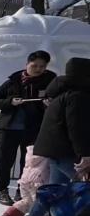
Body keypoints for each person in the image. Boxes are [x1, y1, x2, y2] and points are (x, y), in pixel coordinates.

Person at [0, 50, 56, 205]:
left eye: (42, 66)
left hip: (33, 128)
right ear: (27, 64)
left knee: (28, 162)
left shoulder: (50, 82)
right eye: (35, 65)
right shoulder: (13, 81)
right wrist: (10, 102)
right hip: (10, 127)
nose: (38, 69)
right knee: (5, 161)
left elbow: (59, 102)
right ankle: (1, 190)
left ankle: (22, 190)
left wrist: (48, 105)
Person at [32, 57, 90, 185]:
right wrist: (84, 154)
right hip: (66, 150)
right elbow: (77, 127)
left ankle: (40, 206)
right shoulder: (77, 96)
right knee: (83, 184)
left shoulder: (60, 93)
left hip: (55, 149)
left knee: (55, 191)